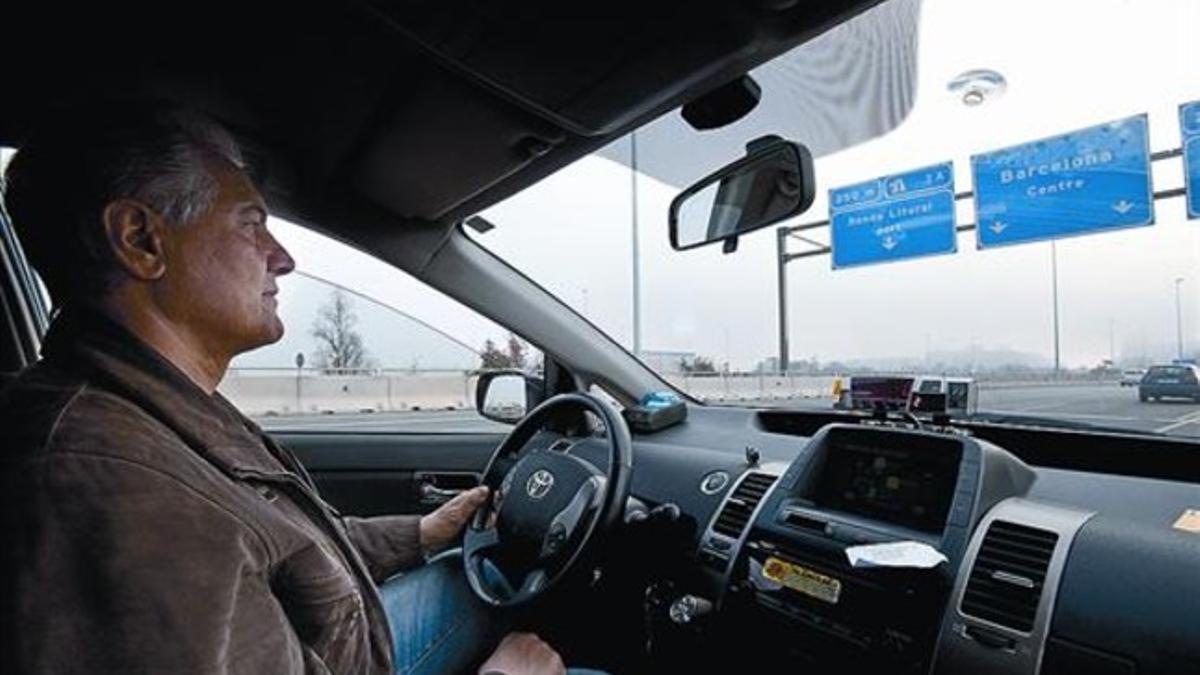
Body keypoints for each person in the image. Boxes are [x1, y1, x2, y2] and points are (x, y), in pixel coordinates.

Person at [0, 103, 577, 674]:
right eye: (251, 224)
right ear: (141, 240)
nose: (285, 258)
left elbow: (284, 555)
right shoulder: (108, 484)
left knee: (470, 578)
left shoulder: (153, 405)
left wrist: (423, 533)